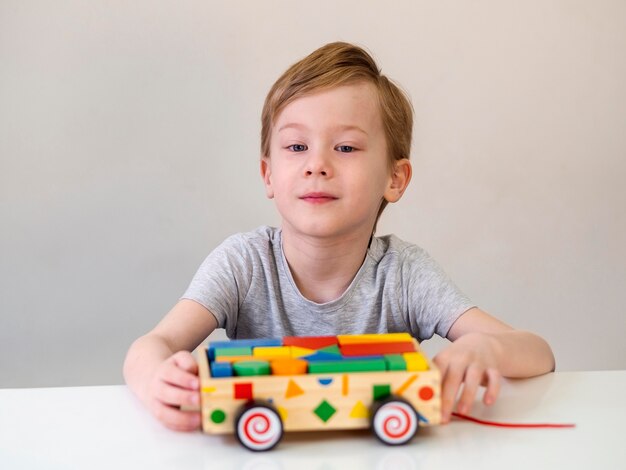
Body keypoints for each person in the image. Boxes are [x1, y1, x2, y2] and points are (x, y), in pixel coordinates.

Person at [123, 42, 555, 432]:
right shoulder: (243, 263)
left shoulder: (403, 274)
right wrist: (156, 380)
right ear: (268, 174)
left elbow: (537, 353)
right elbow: (151, 346)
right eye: (296, 147)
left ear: (395, 177)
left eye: (345, 147)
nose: (317, 165)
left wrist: (484, 350)